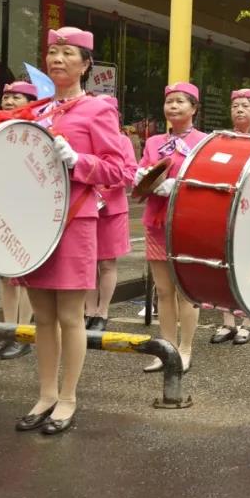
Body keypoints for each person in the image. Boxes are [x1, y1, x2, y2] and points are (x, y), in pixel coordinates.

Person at [10, 27, 127, 435]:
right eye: (53, 52)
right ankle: (45, 394)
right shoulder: (36, 111)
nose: (57, 59)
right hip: (36, 222)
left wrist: (79, 160)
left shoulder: (99, 109)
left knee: (70, 316)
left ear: (86, 64)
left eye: (68, 53)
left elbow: (118, 169)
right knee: (42, 316)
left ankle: (68, 398)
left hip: (75, 220)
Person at [137, 83, 207, 374]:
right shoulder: (154, 142)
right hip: (156, 221)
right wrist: (141, 176)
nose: (173, 106)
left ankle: (186, 348)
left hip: (187, 222)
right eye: (169, 102)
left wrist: (177, 186)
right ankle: (167, 349)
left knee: (186, 291)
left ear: (194, 108)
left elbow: (207, 179)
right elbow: (143, 169)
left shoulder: (204, 142)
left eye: (180, 101)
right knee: (164, 291)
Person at [0, 81, 39, 360]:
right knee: (6, 275)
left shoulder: (37, 129)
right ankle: (7, 331)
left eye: (16, 97)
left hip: (28, 208)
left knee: (26, 275)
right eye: (6, 97)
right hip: (2, 205)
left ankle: (24, 334)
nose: (9, 101)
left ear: (30, 102)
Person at [211, 88, 250, 346]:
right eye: (235, 106)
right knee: (224, 265)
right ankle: (227, 321)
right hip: (224, 207)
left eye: (245, 106)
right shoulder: (223, 140)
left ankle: (247, 323)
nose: (239, 110)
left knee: (249, 265)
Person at [85, 97, 137, 332]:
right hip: (86, 206)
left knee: (107, 262)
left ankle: (102, 312)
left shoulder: (122, 141)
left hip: (112, 209)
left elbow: (130, 172)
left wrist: (107, 182)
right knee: (88, 262)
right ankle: (88, 310)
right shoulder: (85, 138)